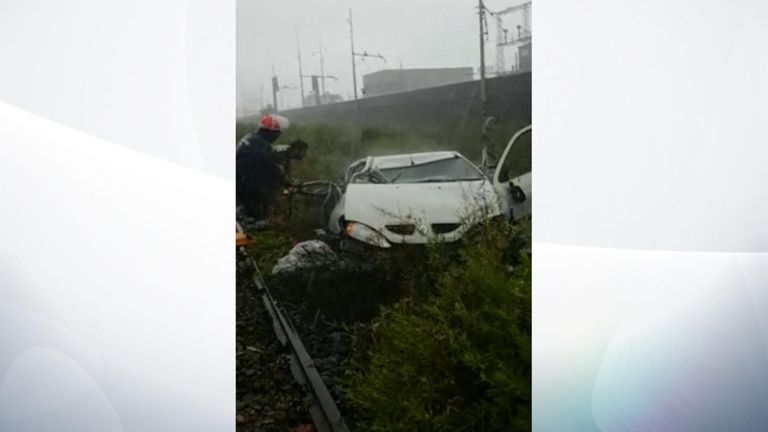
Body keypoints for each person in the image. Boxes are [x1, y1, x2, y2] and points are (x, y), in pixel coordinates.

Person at [236, 114, 308, 220]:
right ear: (270, 132)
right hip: (246, 183)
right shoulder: (262, 145)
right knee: (255, 215)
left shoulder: (250, 137)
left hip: (240, 178)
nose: (277, 137)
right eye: (276, 134)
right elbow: (274, 168)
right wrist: (287, 183)